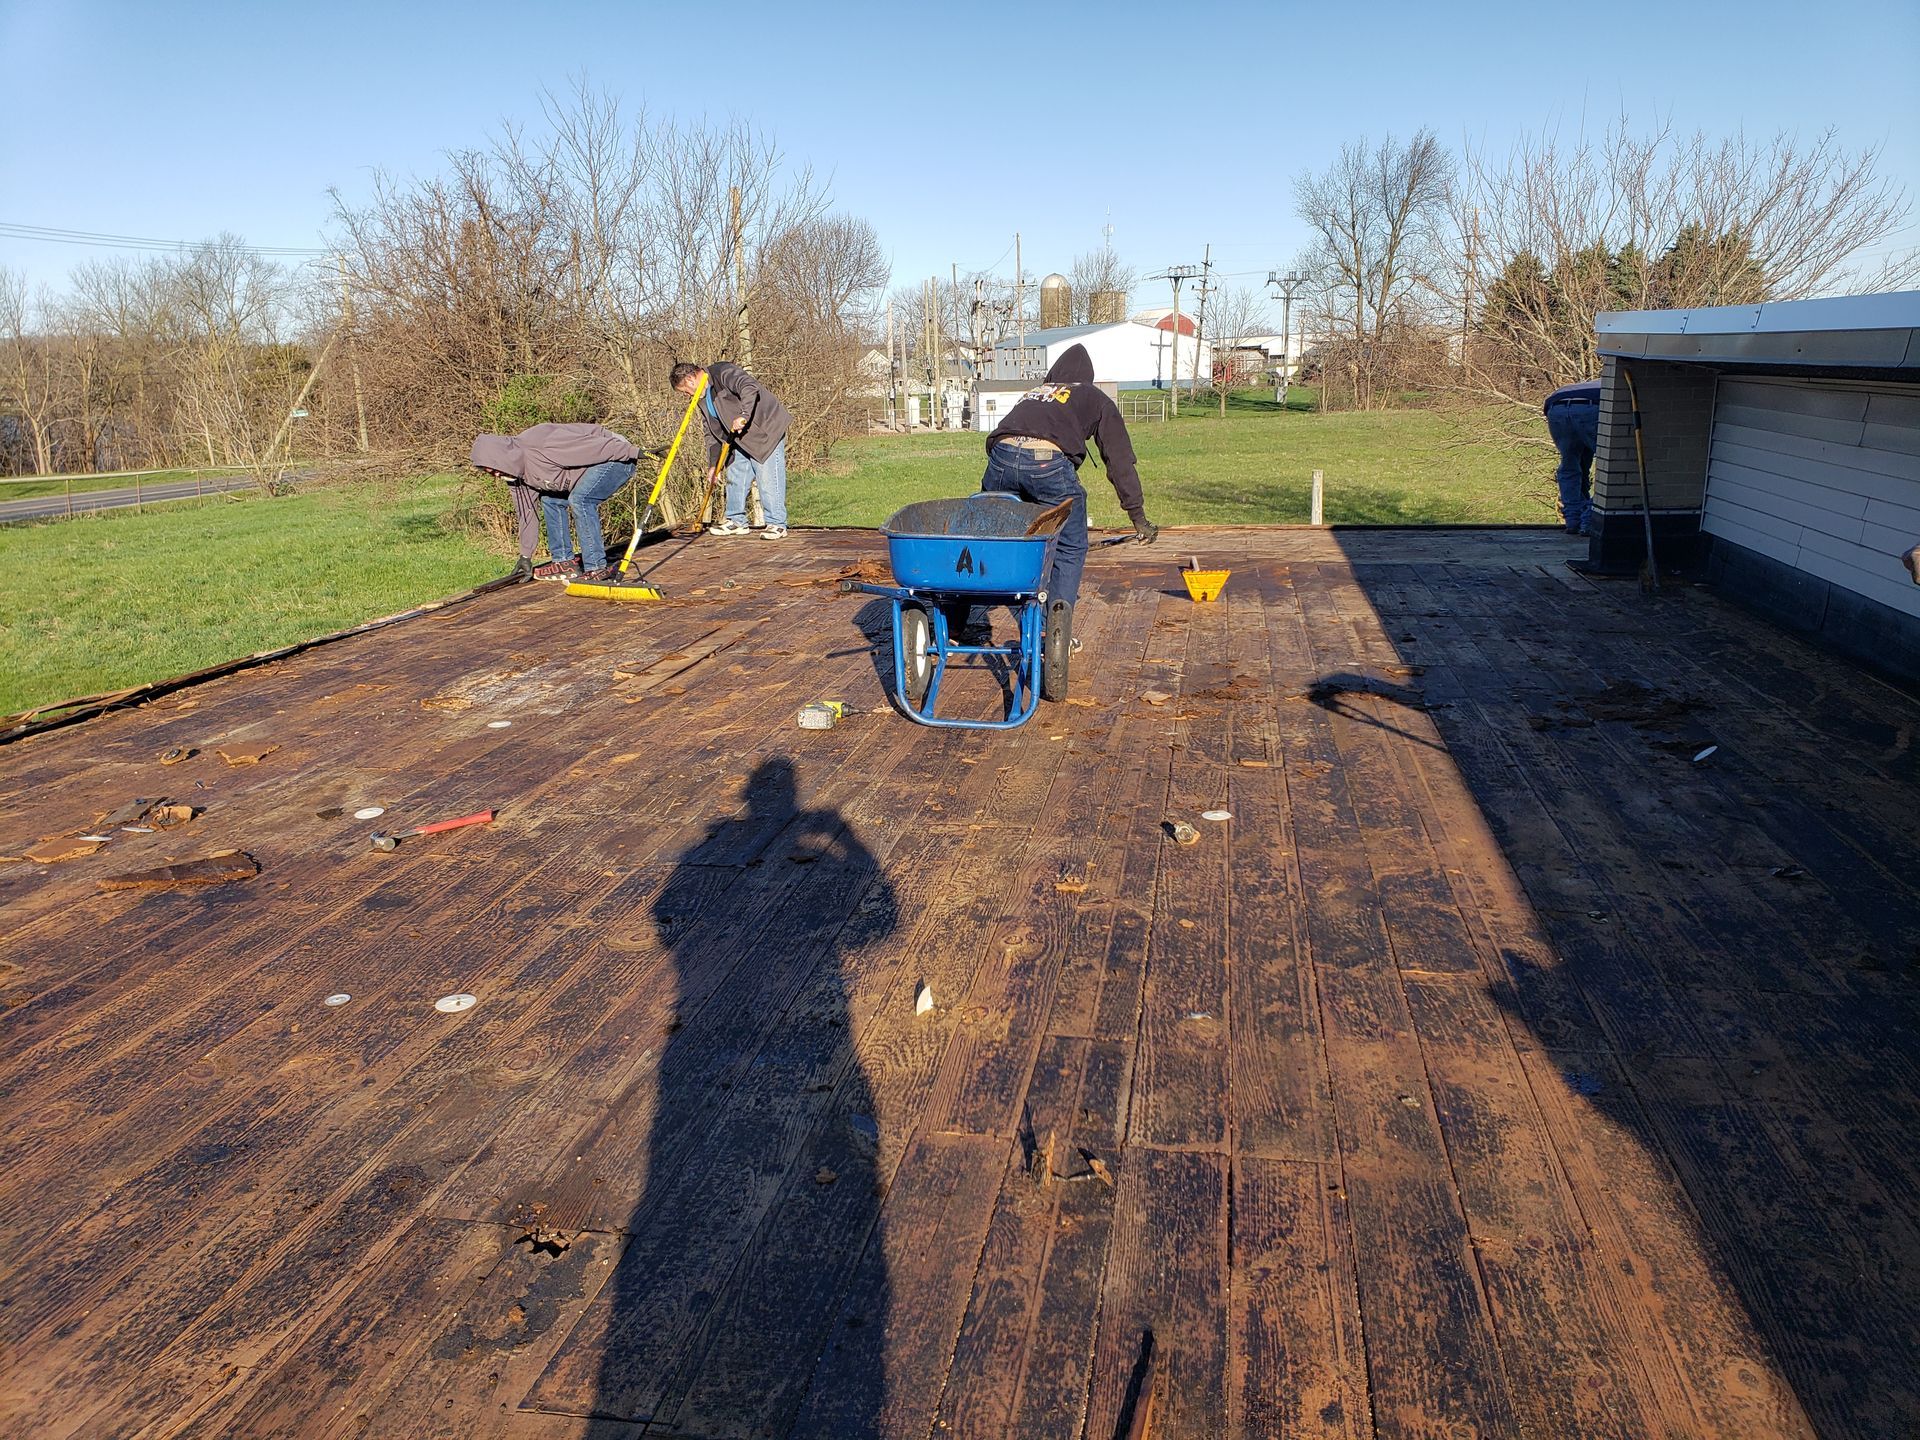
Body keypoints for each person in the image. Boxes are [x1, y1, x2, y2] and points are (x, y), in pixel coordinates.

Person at [976, 343, 1158, 652]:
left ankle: (958, 617)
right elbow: (1119, 460)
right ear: (1087, 378)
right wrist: (1138, 517)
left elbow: (1006, 434)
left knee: (992, 535)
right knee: (1071, 546)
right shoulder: (1093, 397)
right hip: (1047, 462)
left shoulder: (1037, 391)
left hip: (1001, 456)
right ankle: (1052, 633)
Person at [469, 422, 641, 581]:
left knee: (580, 500)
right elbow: (526, 514)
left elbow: (591, 448)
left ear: (499, 457)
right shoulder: (515, 477)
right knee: (551, 499)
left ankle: (597, 568)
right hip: (597, 461)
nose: (495, 475)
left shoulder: (540, 443)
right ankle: (564, 563)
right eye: (488, 472)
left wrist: (634, 451)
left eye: (493, 468)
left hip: (615, 454)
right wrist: (525, 556)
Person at [671, 360, 792, 540]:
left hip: (765, 429)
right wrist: (714, 465)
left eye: (685, 391)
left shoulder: (723, 372)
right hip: (739, 438)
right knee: (735, 475)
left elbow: (749, 387)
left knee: (767, 477)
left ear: (690, 379)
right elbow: (710, 432)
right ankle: (736, 521)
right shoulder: (702, 398)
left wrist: (743, 415)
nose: (687, 395)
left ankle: (777, 524)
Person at [1544, 378, 1602, 535]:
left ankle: (1573, 520)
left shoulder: (1590, 382)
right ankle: (1589, 519)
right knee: (1607, 464)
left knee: (1569, 462)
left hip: (1556, 406)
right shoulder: (1616, 384)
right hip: (1592, 406)